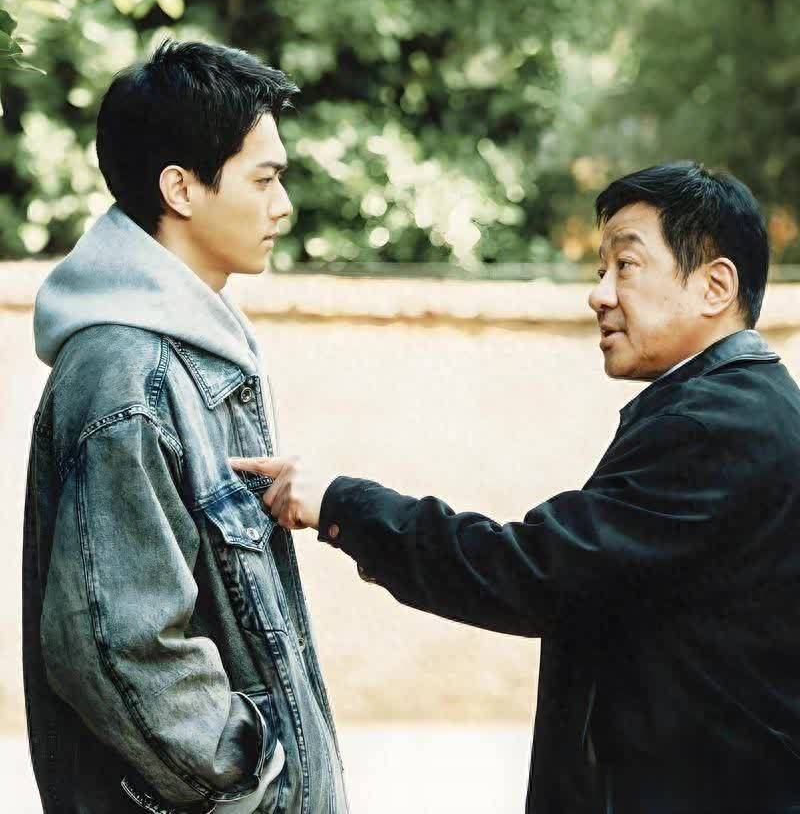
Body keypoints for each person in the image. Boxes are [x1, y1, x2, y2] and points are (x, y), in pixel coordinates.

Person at [238, 162, 800, 814]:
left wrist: (343, 505)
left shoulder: (716, 426)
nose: (599, 295)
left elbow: (535, 572)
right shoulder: (743, 406)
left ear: (715, 286)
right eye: (601, 271)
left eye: (626, 266)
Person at [23, 40, 348, 814]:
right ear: (180, 188)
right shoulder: (129, 375)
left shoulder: (192, 350)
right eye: (263, 179)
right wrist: (254, 780)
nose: (282, 205)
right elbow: (119, 648)